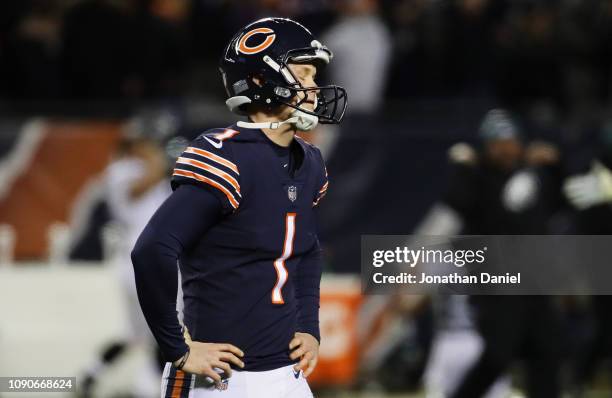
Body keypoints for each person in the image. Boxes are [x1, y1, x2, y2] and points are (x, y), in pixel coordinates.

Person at [131, 17, 347, 398]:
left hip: (288, 375)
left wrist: (309, 326)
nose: (314, 87)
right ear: (262, 80)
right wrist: (178, 348)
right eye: (304, 73)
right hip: (222, 379)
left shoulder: (309, 161)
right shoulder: (224, 156)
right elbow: (152, 250)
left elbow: (308, 250)